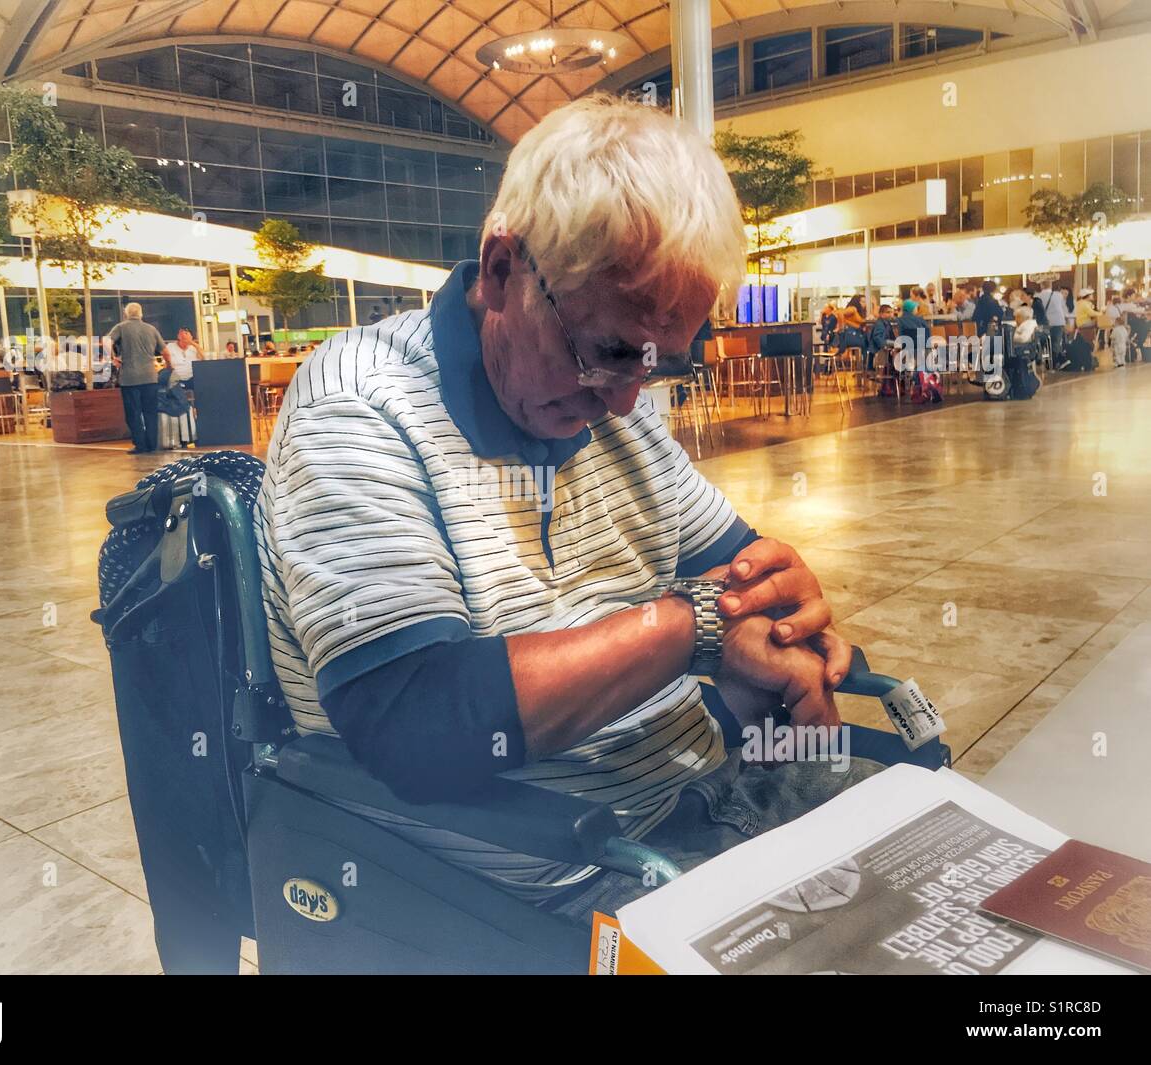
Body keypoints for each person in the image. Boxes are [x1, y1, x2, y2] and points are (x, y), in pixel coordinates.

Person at [256, 95, 886, 922]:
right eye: (606, 352)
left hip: (708, 795)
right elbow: (418, 724)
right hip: (567, 872)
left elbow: (740, 570)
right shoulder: (360, 408)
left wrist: (783, 617)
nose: (626, 401)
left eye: (658, 367)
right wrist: (690, 627)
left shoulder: (612, 414)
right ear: (502, 269)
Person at [107, 301, 166, 454]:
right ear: (141, 314)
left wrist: (113, 357)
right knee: (150, 412)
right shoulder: (151, 329)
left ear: (126, 314)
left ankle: (140, 445)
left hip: (129, 379)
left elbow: (106, 341)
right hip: (150, 377)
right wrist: (170, 365)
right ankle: (152, 444)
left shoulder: (121, 327)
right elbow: (165, 351)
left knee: (133, 413)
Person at [1035, 279, 1067, 364]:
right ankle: (1054, 362)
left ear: (1041, 285)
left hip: (1044, 323)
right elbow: (1063, 307)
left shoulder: (1037, 296)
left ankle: (1042, 359)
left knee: (1043, 341)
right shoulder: (1059, 295)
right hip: (1058, 322)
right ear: (1051, 285)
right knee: (1055, 342)